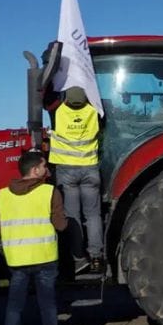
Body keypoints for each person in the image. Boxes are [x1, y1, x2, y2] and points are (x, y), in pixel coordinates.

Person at [0, 150, 68, 325]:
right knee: (47, 307)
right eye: (44, 166)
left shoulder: (2, 195)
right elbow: (61, 225)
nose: (47, 170)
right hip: (45, 259)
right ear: (35, 170)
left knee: (14, 310)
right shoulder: (49, 192)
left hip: (17, 262)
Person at [49, 85, 104, 274]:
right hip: (90, 167)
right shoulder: (93, 111)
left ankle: (79, 258)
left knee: (72, 216)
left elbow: (48, 97)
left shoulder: (58, 111)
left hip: (66, 171)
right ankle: (96, 256)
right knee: (93, 215)